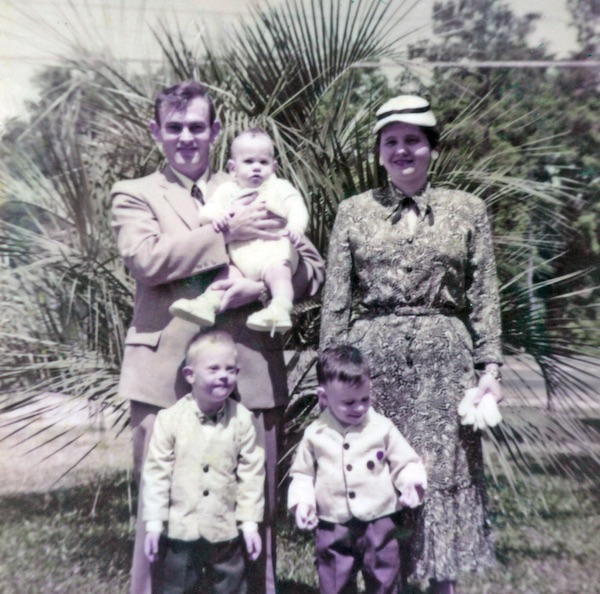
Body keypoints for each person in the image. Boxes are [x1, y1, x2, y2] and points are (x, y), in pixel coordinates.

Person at [110, 80, 325, 594]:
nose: (187, 137)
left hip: (248, 371)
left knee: (253, 510)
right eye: (175, 127)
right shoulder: (135, 193)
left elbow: (313, 268)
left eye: (198, 127)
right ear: (156, 131)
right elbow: (147, 260)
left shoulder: (261, 185)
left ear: (216, 132)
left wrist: (259, 286)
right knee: (158, 511)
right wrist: (224, 235)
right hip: (164, 376)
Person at [319, 95, 503, 594]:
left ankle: (440, 586)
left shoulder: (469, 210)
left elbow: (484, 293)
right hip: (372, 365)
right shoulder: (353, 212)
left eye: (413, 141)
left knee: (442, 477)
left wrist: (490, 370)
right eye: (391, 142)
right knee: (378, 473)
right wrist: (330, 376)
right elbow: (336, 299)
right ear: (379, 152)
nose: (402, 151)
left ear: (432, 149)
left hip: (446, 365)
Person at [288, 345, 427, 594]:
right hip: (333, 524)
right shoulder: (315, 434)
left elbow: (405, 462)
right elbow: (302, 475)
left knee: (385, 576)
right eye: (349, 402)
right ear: (323, 397)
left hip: (380, 520)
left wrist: (411, 485)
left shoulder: (382, 427)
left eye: (365, 399)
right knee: (333, 580)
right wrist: (303, 504)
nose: (359, 408)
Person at [143, 330, 264, 594]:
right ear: (190, 376)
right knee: (177, 587)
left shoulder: (242, 419)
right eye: (214, 369)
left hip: (225, 527)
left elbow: (252, 474)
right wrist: (154, 522)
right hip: (181, 528)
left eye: (230, 369)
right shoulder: (170, 419)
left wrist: (250, 523)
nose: (224, 375)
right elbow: (156, 473)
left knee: (232, 587)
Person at [169, 128, 309, 334]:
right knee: (226, 275)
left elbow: (297, 207)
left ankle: (279, 308)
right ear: (233, 168)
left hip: (274, 253)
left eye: (263, 162)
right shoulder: (227, 190)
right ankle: (207, 304)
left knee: (280, 276)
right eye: (249, 162)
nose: (256, 168)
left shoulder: (279, 187)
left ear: (274, 166)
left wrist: (296, 226)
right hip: (241, 259)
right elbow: (209, 210)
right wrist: (217, 216)